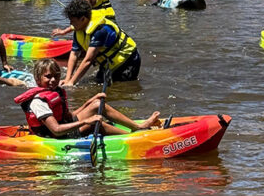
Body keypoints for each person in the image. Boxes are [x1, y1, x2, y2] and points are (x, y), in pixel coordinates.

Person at [15, 59, 160, 138]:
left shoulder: (56, 92)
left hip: (63, 127)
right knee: (94, 125)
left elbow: (70, 116)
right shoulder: (38, 102)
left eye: (56, 76)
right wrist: (86, 121)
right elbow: (57, 129)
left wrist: (90, 101)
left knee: (97, 105)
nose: (53, 80)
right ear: (37, 79)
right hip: (55, 136)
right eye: (48, 77)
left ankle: (138, 127)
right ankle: (133, 138)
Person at [60, 0, 141, 86]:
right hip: (108, 62)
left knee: (121, 88)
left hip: (128, 59)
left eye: (73, 21)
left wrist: (72, 83)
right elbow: (74, 54)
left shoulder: (100, 30)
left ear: (83, 19)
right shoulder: (79, 30)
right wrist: (67, 79)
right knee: (98, 82)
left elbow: (88, 60)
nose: (70, 24)